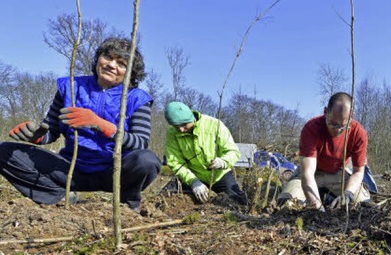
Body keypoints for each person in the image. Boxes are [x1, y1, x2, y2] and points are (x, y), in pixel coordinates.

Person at [0, 37, 162, 211]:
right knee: (4, 151)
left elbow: (140, 142)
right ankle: (56, 195)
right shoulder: (71, 86)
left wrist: (102, 125)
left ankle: (127, 203)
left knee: (147, 160)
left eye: (121, 63)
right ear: (98, 58)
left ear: (130, 72)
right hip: (70, 169)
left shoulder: (137, 98)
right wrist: (37, 136)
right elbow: (51, 130)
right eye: (107, 57)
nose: (111, 65)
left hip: (114, 171)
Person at [279, 92, 370, 210]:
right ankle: (320, 198)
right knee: (287, 203)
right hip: (312, 174)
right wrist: (317, 207)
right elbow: (308, 173)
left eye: (343, 126)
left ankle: (328, 197)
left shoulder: (359, 133)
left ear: (351, 116)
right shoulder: (311, 128)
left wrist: (349, 193)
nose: (338, 130)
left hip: (338, 174)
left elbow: (358, 172)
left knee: (364, 205)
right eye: (333, 124)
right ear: (326, 111)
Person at [163, 101, 246, 204]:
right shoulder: (172, 132)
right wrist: (193, 181)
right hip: (192, 176)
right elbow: (175, 162)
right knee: (170, 200)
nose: (181, 129)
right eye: (176, 126)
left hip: (219, 175)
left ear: (191, 118)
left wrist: (223, 162)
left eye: (184, 125)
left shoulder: (214, 125)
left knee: (239, 202)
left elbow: (233, 151)